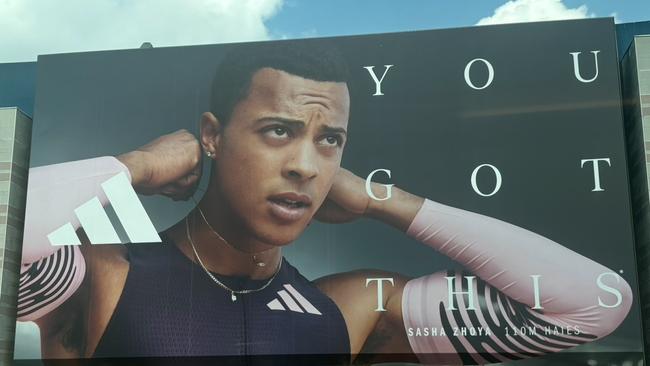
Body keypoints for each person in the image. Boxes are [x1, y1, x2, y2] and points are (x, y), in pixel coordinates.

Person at [18, 42, 633, 365]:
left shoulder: (353, 310)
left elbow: (594, 304)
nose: (306, 165)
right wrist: (140, 166)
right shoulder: (103, 276)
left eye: (329, 140)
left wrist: (382, 201)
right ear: (213, 135)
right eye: (278, 130)